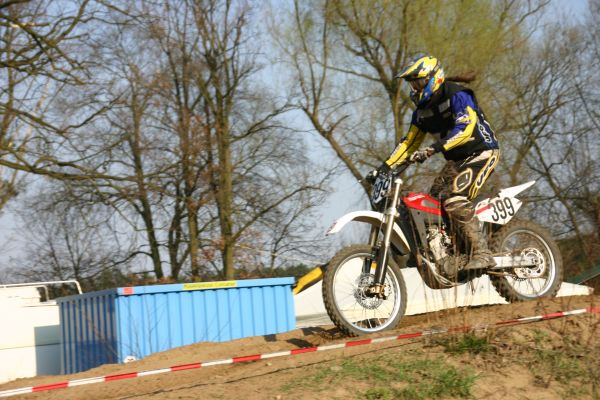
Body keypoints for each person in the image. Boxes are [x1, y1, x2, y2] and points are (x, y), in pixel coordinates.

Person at [368, 54, 500, 271]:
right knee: (431, 206)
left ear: (434, 78)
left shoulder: (456, 94)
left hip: (482, 152)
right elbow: (409, 143)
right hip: (457, 160)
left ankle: (483, 254)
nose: (415, 89)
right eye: (412, 84)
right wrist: (384, 168)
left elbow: (466, 128)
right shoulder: (421, 113)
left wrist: (434, 148)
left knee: (454, 200)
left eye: (418, 82)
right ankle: (449, 254)